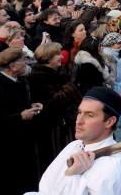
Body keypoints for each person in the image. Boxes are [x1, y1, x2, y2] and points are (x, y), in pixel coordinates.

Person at [29, 86, 121, 195]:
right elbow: (45, 189)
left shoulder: (116, 165)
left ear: (109, 122)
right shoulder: (74, 146)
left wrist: (72, 175)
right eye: (79, 112)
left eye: (90, 115)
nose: (79, 121)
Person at [0, 48, 42, 195]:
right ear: (13, 66)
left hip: (23, 145)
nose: (27, 63)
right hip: (4, 153)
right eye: (24, 60)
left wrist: (32, 106)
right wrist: (20, 117)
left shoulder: (19, 80)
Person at [30, 42, 82, 176]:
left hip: (65, 124)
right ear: (48, 58)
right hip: (54, 129)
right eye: (57, 55)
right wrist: (69, 90)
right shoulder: (39, 77)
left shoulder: (59, 72)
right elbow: (52, 103)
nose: (61, 57)